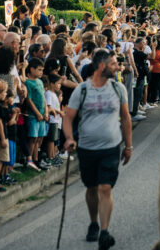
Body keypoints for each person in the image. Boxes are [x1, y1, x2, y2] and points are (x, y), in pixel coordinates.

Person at [63, 49, 132, 250]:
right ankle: (93, 222)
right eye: (114, 64)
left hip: (111, 147)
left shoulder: (119, 89)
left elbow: (126, 119)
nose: (118, 67)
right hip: (86, 148)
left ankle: (104, 231)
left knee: (105, 187)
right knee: (91, 188)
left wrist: (128, 146)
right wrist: (69, 138)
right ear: (101, 66)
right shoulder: (82, 90)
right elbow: (68, 117)